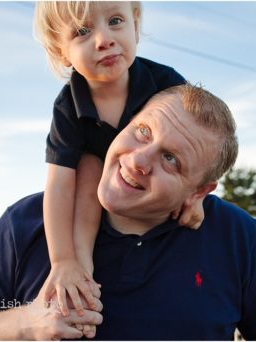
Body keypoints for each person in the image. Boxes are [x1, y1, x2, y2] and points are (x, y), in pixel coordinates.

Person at [0, 84, 256, 340]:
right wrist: (26, 323)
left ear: (198, 192)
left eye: (171, 159)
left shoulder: (237, 235)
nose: (138, 161)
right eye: (143, 132)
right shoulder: (26, 221)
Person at [33, 1, 206, 318]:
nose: (103, 39)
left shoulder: (167, 86)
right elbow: (58, 185)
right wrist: (62, 259)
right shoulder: (69, 105)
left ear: (135, 24)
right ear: (61, 51)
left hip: (151, 178)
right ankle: (81, 266)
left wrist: (194, 197)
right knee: (86, 165)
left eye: (115, 21)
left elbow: (202, 144)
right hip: (97, 188)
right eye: (83, 31)